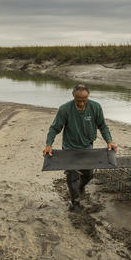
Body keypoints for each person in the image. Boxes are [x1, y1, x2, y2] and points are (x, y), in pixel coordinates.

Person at [43, 83, 117, 211]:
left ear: (88, 97)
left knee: (88, 174)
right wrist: (48, 145)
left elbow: (103, 126)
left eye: (84, 100)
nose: (81, 103)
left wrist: (109, 141)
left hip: (87, 146)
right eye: (78, 100)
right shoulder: (65, 109)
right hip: (69, 147)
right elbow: (54, 128)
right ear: (73, 96)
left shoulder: (95, 107)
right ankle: (75, 203)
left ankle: (81, 187)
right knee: (72, 176)